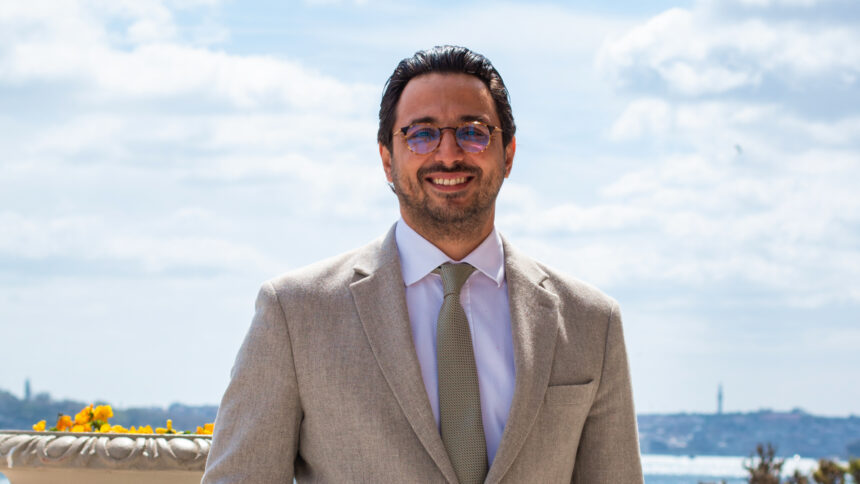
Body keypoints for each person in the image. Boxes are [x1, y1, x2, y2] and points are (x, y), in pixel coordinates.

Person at [202, 45, 644, 484]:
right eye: (421, 133)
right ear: (387, 160)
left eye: (473, 132)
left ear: (508, 154)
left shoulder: (591, 322)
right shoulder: (296, 313)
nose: (448, 154)